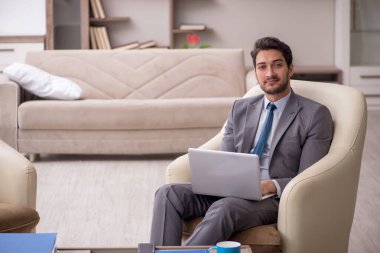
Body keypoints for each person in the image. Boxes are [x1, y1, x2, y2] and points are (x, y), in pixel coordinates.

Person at [149, 37, 333, 246]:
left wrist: (268, 185)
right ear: (255, 73)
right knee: (167, 193)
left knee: (225, 207)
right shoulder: (241, 108)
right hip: (232, 189)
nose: (270, 73)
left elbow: (308, 178)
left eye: (277, 65)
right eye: (262, 67)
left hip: (271, 199)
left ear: (290, 69)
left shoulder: (315, 114)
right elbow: (226, 160)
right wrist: (217, 179)